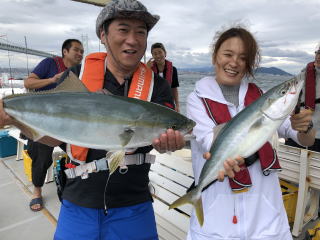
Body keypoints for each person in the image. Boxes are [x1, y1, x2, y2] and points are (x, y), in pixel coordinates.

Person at [0, 0, 185, 239]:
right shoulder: (77, 76)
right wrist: (12, 120)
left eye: (141, 32)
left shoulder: (158, 86)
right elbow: (56, 138)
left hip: (134, 204)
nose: (133, 39)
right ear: (103, 35)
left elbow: (167, 132)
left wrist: (171, 143)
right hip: (78, 201)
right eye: (123, 29)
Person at [186, 26, 315, 240]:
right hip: (216, 221)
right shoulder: (196, 99)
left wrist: (306, 126)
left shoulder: (263, 98)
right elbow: (212, 143)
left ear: (248, 64)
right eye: (228, 54)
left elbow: (303, 139)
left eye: (243, 58)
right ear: (215, 56)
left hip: (266, 220)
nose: (234, 62)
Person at [24, 39, 84, 212]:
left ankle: (76, 187)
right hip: (44, 123)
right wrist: (52, 79)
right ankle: (36, 192)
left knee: (81, 154)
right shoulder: (49, 63)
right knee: (41, 158)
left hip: (70, 124)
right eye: (76, 50)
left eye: (82, 51)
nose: (80, 54)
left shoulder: (81, 71)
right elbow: (28, 83)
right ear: (65, 51)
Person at [285, 46, 320, 151]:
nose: (318, 56)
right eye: (318, 52)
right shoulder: (302, 76)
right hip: (299, 133)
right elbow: (287, 102)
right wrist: (286, 128)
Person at [147, 42, 180, 112]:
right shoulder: (149, 69)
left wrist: (177, 105)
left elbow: (174, 89)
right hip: (153, 103)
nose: (158, 56)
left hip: (168, 103)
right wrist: (146, 70)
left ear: (165, 53)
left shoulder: (173, 70)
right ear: (152, 56)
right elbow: (144, 87)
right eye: (155, 54)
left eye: (160, 52)